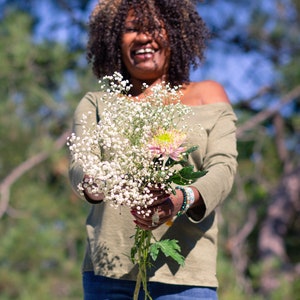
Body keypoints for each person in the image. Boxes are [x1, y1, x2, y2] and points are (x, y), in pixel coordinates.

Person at [69, 0, 238, 299]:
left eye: (154, 27)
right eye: (131, 29)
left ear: (176, 33)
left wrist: (182, 199)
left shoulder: (207, 95)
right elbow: (82, 163)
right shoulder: (96, 103)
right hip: (108, 276)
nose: (143, 37)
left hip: (185, 279)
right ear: (113, 40)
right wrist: (98, 184)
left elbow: (223, 169)